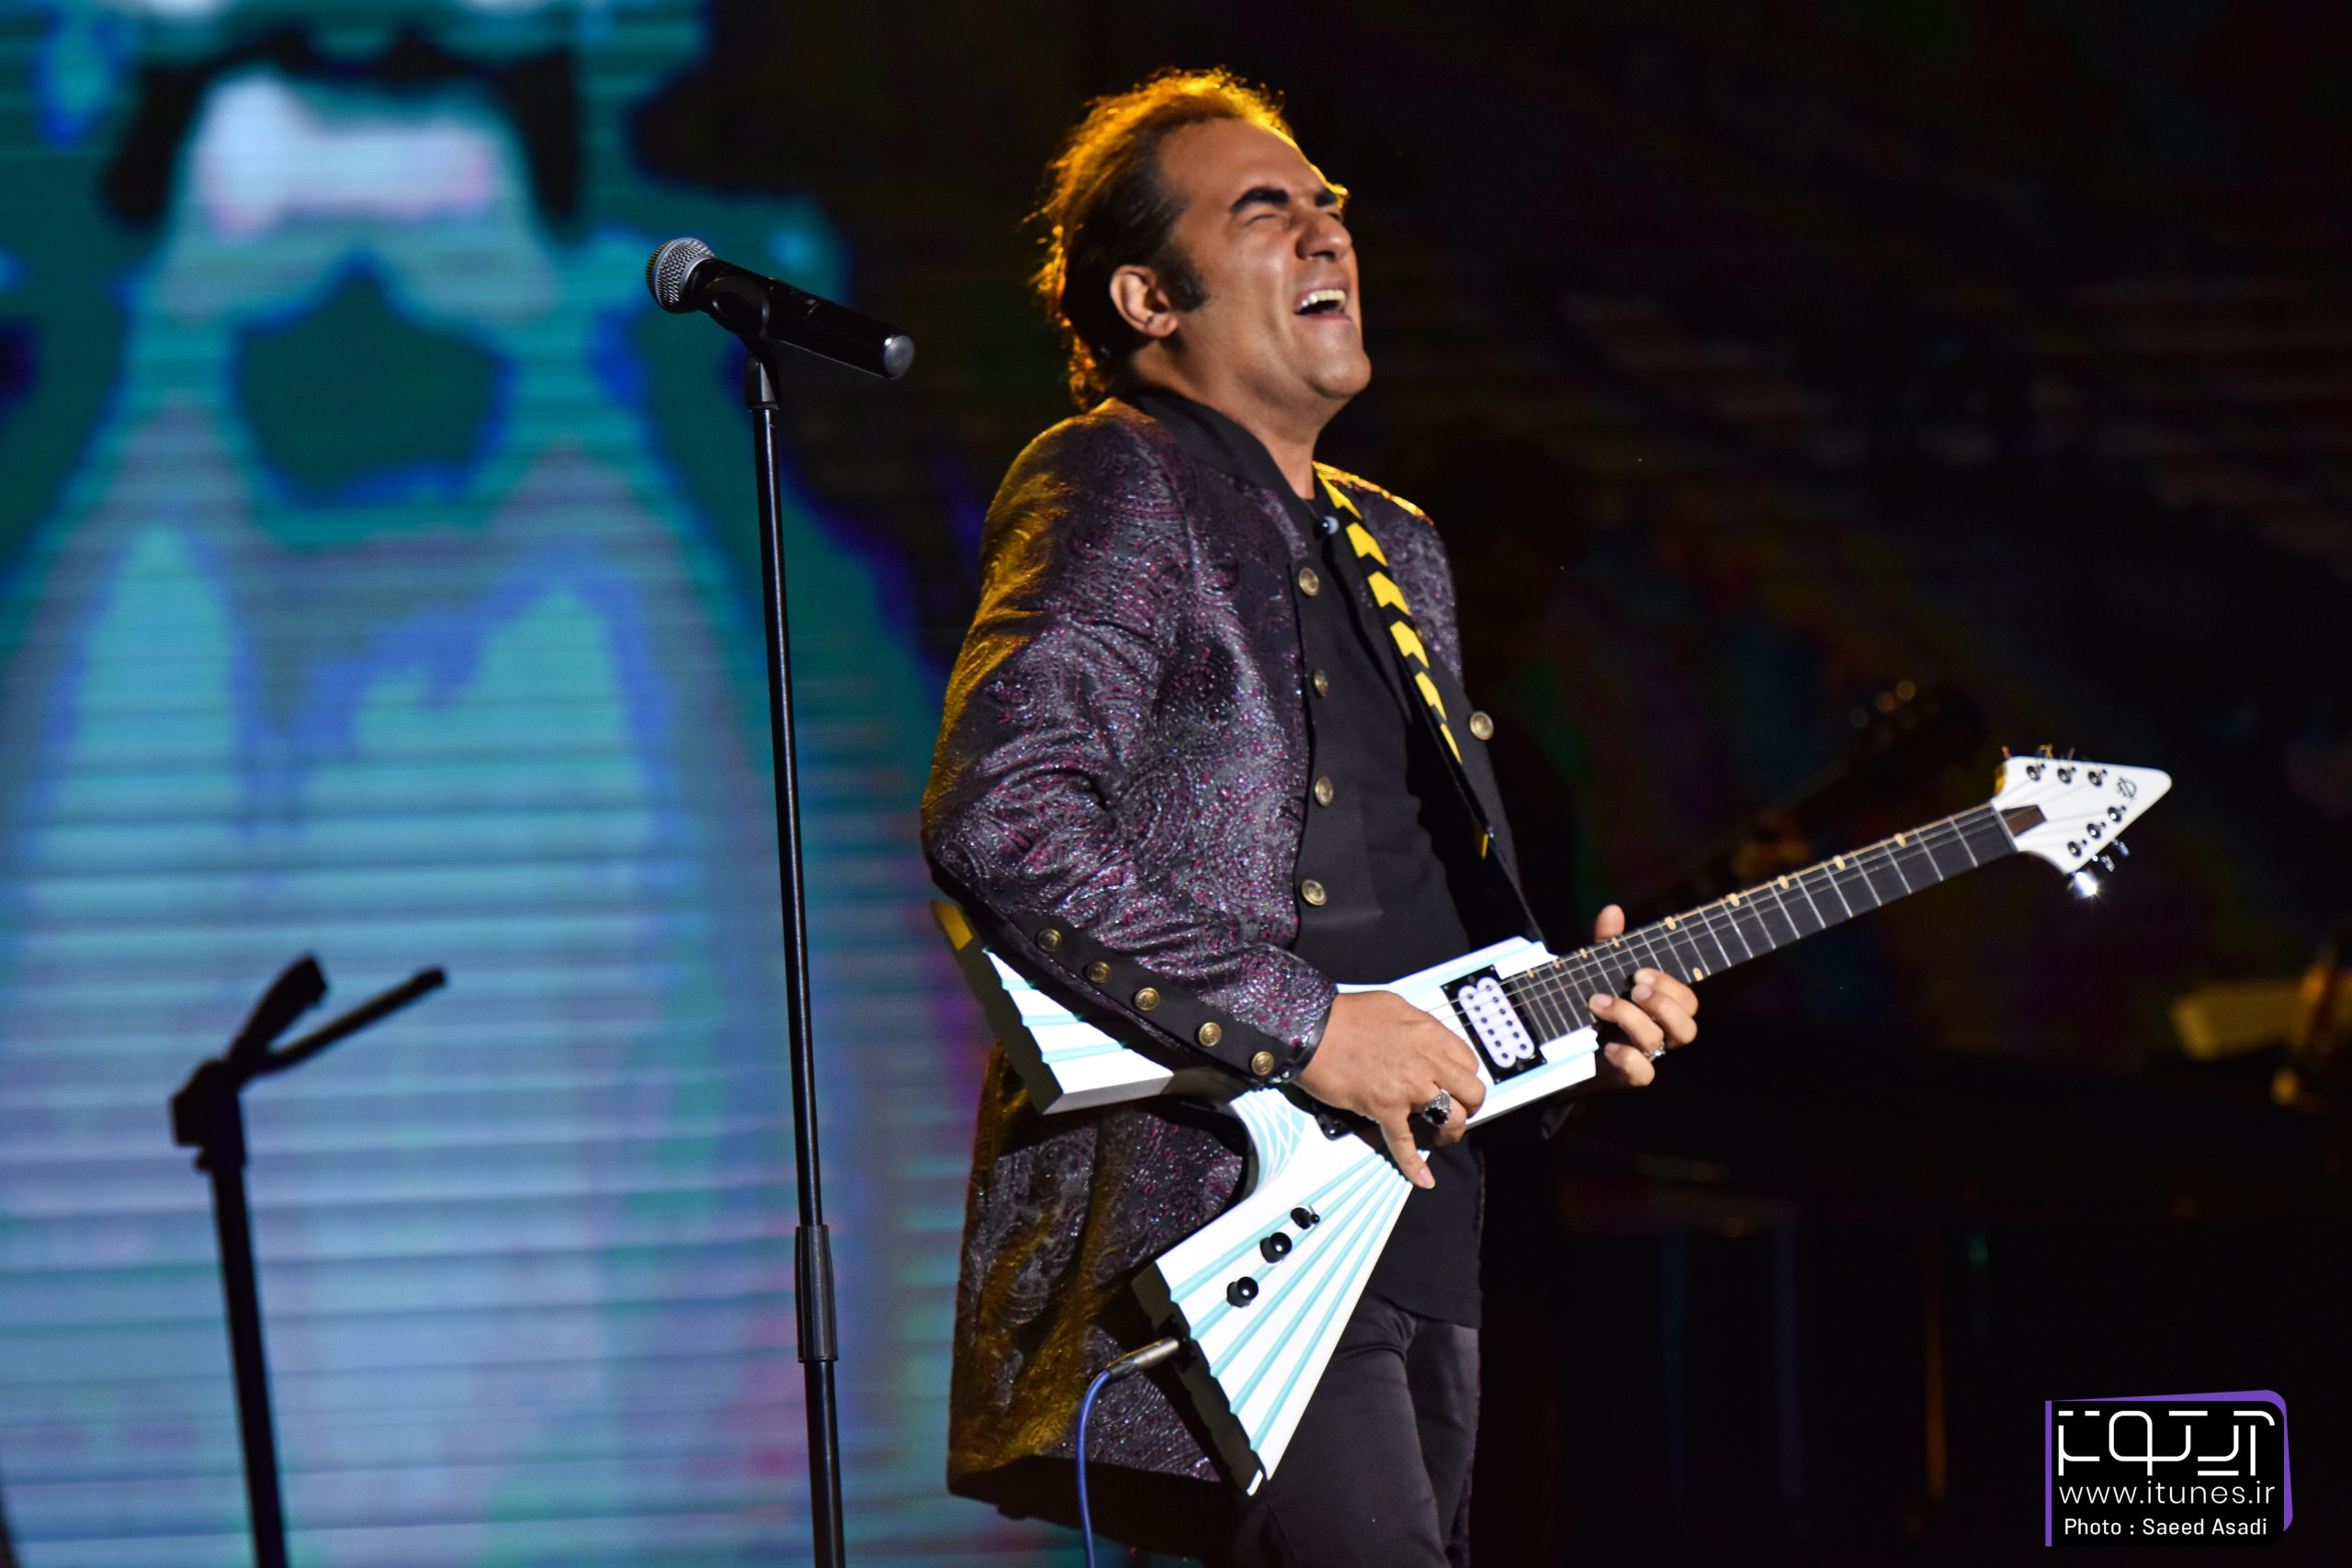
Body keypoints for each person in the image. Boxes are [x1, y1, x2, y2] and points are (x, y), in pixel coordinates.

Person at [922, 68, 1700, 1566]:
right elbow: (1003, 812)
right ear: (1149, 296)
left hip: (1421, 1217)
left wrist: (1560, 1027)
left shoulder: (1398, 541)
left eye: (1329, 203)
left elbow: (1407, 901)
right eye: (1266, 210)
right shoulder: (1118, 475)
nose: (1328, 230)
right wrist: (1311, 1028)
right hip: (1234, 1216)